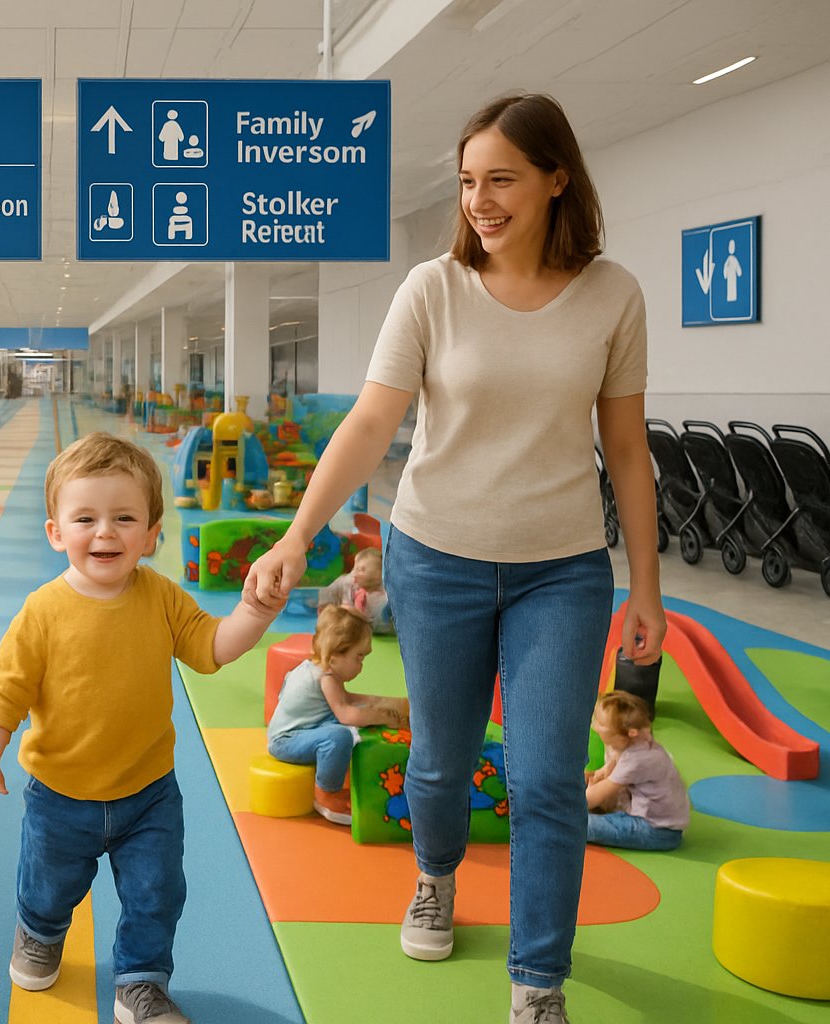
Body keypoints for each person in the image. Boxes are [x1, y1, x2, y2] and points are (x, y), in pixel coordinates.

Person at [240, 92, 665, 1024]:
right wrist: (297, 533)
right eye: (469, 181)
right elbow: (369, 423)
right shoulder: (432, 289)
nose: (480, 201)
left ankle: (538, 980)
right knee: (439, 759)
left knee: (546, 778)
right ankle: (434, 877)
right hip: (437, 559)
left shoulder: (613, 295)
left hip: (563, 569)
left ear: (558, 180)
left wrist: (647, 584)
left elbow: (628, 450)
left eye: (501, 179)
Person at [0, 432, 283, 1024]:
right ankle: (39, 931)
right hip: (60, 794)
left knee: (156, 894)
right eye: (85, 518)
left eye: (124, 518)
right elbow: (6, 688)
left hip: (148, 792)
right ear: (56, 532)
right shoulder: (42, 611)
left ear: (152, 534)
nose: (105, 532)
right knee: (48, 884)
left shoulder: (161, 597)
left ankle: (140, 982)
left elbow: (211, 648)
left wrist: (255, 612)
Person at [267, 603, 409, 824]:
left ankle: (339, 774)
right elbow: (347, 714)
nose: (361, 666)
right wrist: (382, 716)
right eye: (359, 657)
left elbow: (348, 700)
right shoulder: (326, 677)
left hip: (304, 729)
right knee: (340, 735)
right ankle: (326, 794)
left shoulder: (317, 667)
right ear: (334, 656)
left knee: (350, 723)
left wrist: (385, 704)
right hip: (286, 741)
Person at [585, 691, 688, 850]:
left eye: (600, 724)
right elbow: (616, 760)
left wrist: (580, 796)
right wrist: (605, 770)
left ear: (630, 732)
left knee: (578, 824)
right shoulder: (639, 740)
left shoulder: (637, 759)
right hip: (653, 818)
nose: (594, 726)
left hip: (656, 831)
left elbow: (592, 798)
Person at [319, 546, 391, 631]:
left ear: (380, 574)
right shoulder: (350, 583)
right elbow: (330, 590)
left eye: (362, 569)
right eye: (355, 568)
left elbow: (384, 623)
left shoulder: (382, 595)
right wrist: (325, 606)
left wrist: (364, 619)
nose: (355, 573)